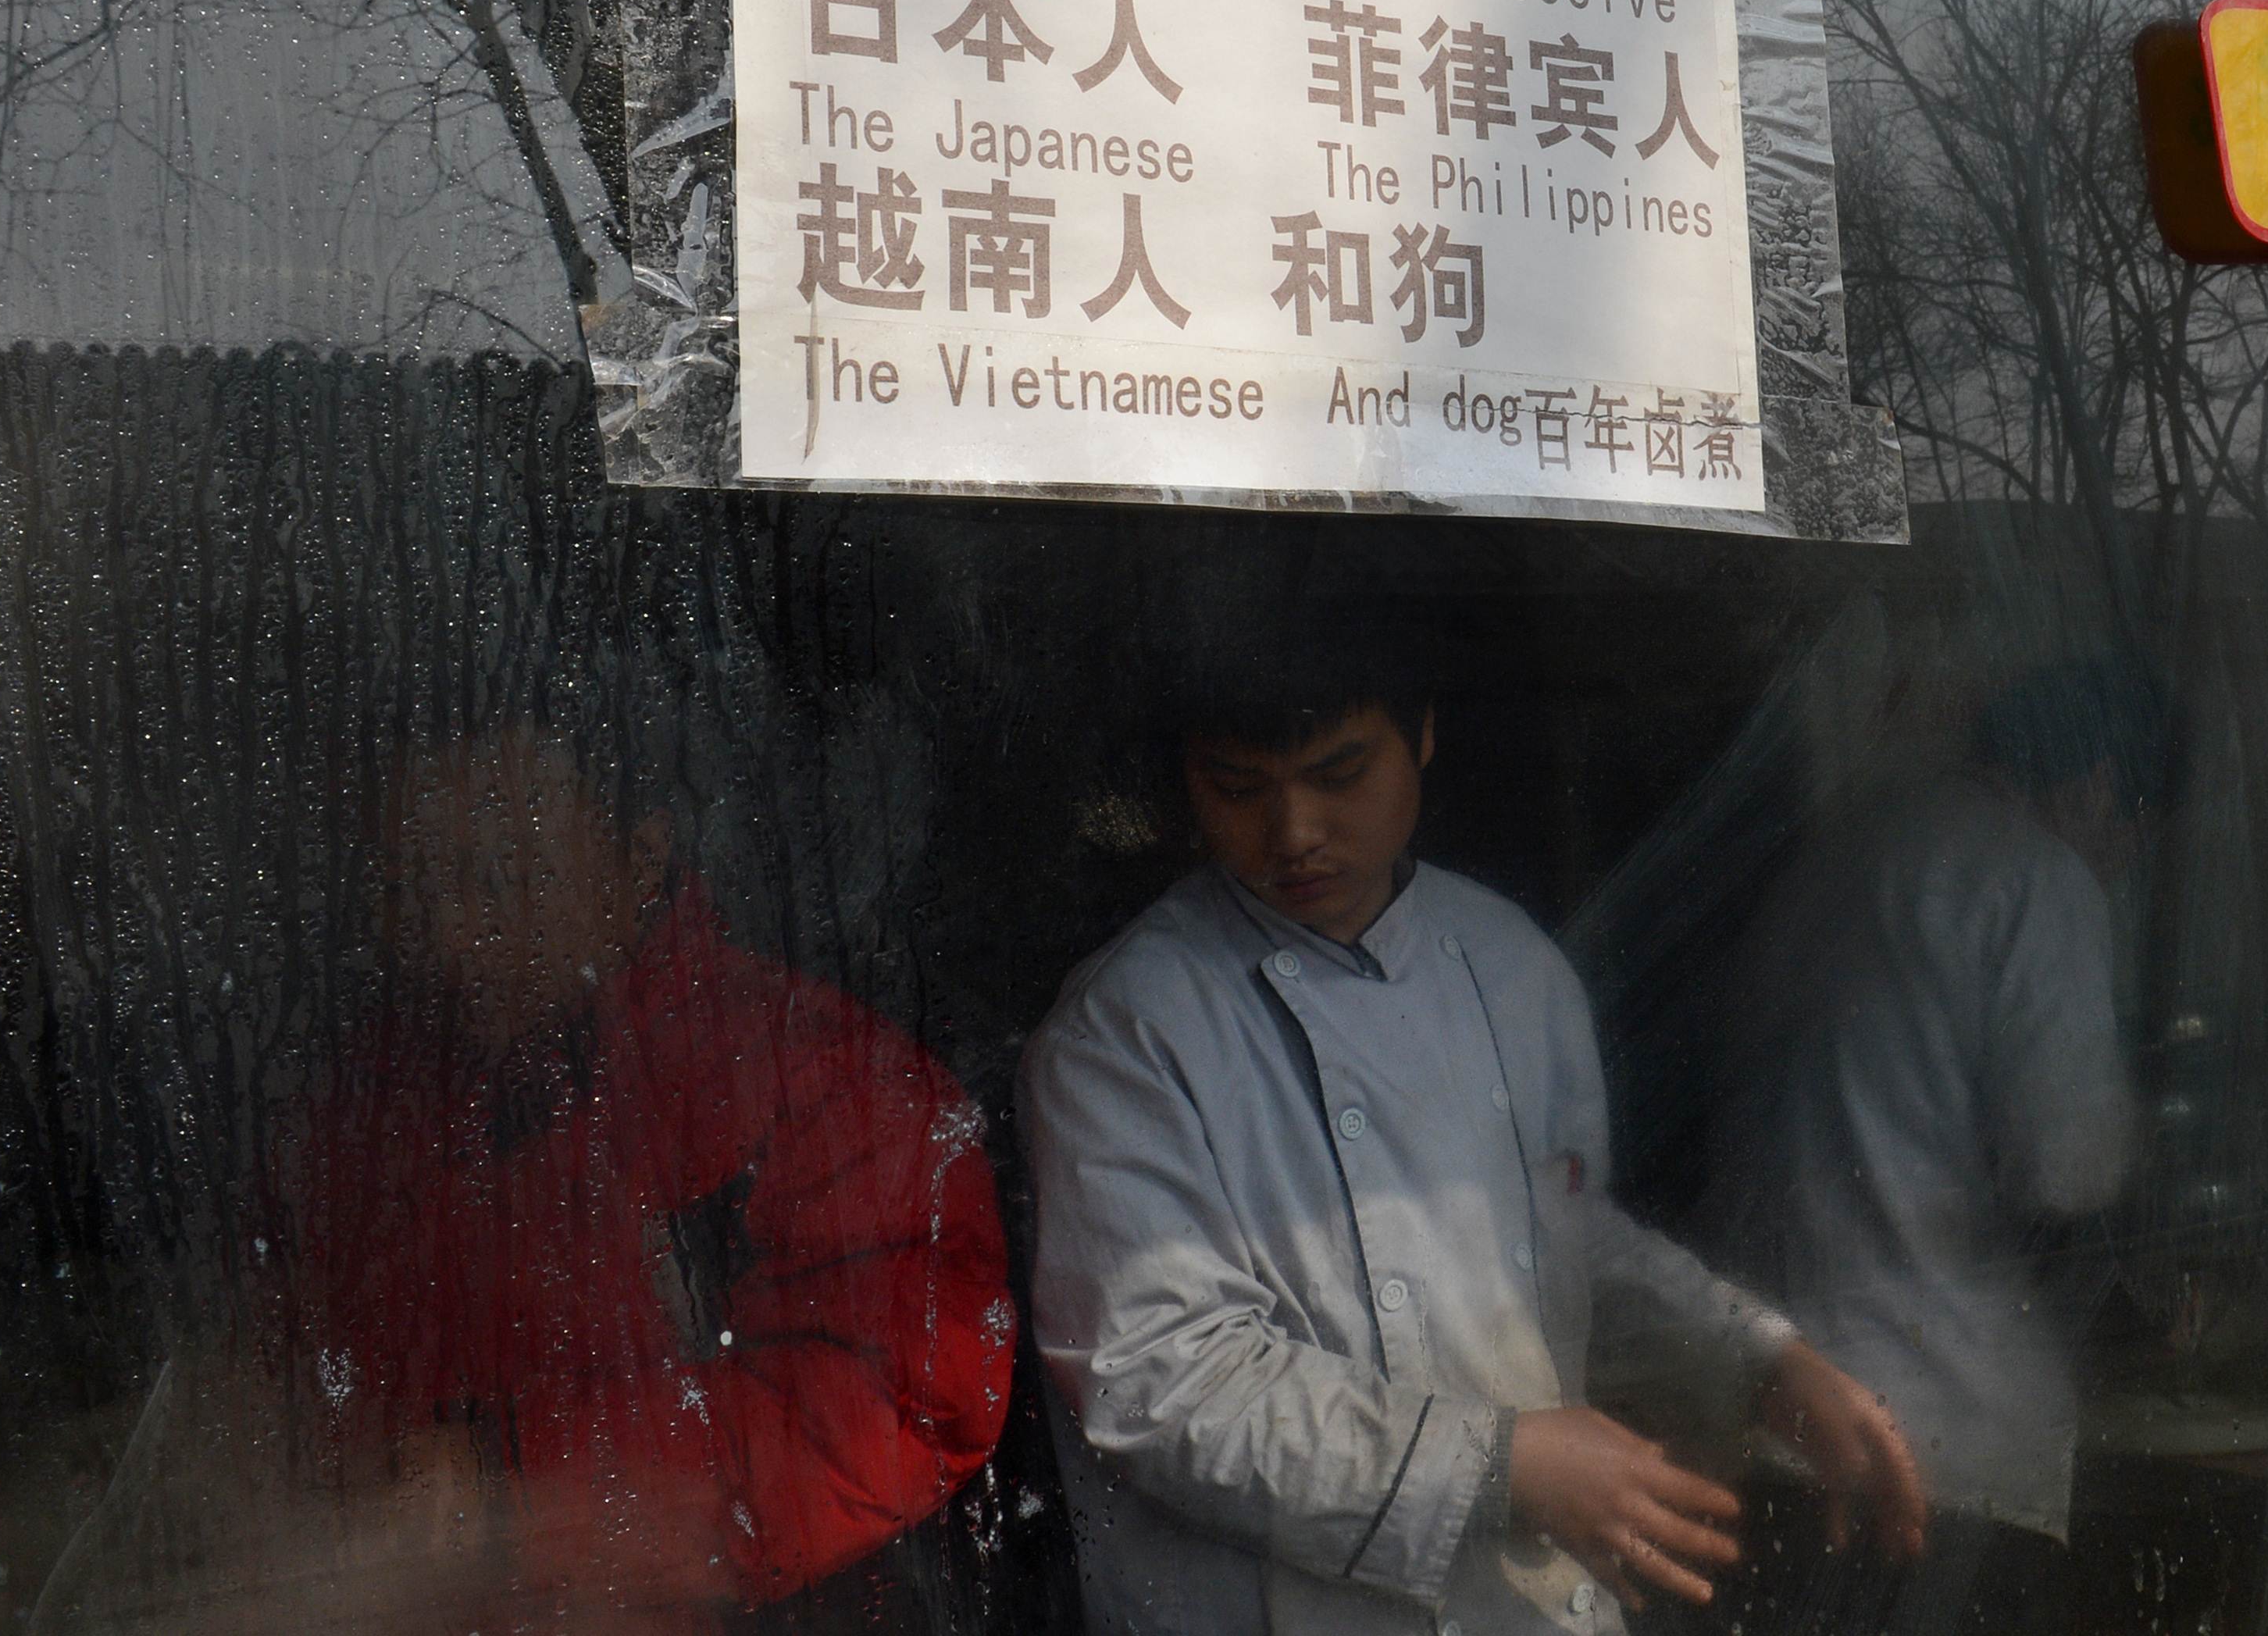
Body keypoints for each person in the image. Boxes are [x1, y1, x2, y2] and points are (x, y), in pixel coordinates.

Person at [1021, 619, 1926, 1636]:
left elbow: (1562, 1233)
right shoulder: (1126, 1030)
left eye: (1339, 772)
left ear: (1425, 737)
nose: (1294, 832)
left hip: (1521, 1603)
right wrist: (1495, 1467)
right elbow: (1156, 1377)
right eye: (1238, 787)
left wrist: (1752, 1357)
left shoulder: (1508, 963)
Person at [262, 722, 1015, 1631]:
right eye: (404, 891)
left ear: (640, 857)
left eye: (499, 878)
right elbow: (277, 1361)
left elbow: (906, 1401)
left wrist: (507, 1490)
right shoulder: (361, 1106)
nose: (450, 936)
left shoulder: (822, 1084)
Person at [1696, 659, 2165, 1636]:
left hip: (1783, 1407)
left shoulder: (1833, 857)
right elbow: (2068, 1168)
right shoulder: (2036, 877)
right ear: (2092, 786)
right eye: (2130, 831)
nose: (2121, 862)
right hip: (1942, 1434)